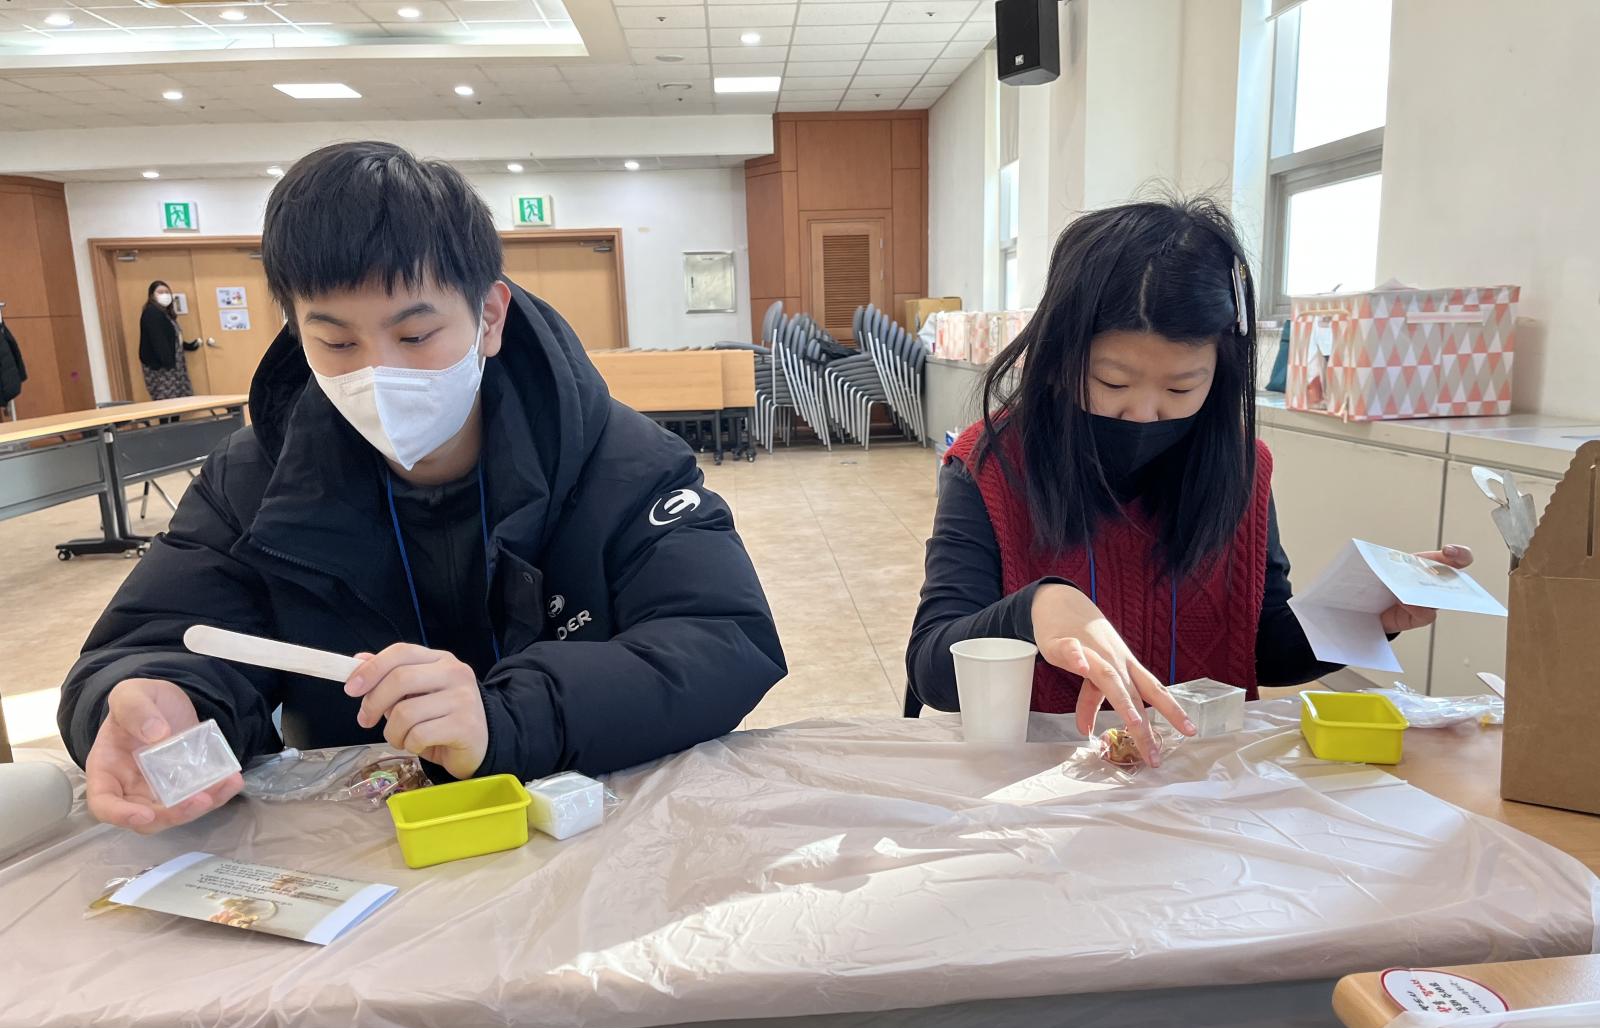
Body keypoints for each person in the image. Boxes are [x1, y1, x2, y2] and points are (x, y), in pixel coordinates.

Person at [60, 141, 787, 833]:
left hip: (583, 831)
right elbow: (152, 642)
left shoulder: (619, 460)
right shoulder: (254, 479)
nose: (378, 373)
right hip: (357, 849)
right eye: (336, 342)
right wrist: (161, 700)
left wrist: (504, 718)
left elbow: (722, 639)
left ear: (489, 317)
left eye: (415, 336)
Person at [906, 197, 1470, 765]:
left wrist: (1366, 615)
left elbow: (1264, 648)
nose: (1144, 413)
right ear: (1058, 358)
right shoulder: (989, 467)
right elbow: (931, 669)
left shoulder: (1239, 468)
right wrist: (1033, 610)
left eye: (1181, 388)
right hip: (1042, 782)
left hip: (1200, 781)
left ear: (1220, 375)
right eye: (1112, 382)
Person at [137, 281, 202, 400]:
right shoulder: (152, 313)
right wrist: (168, 364)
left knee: (180, 399)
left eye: (167, 292)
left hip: (173, 365)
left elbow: (173, 338)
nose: (164, 295)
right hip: (162, 368)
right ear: (152, 295)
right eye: (160, 292)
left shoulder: (165, 314)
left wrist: (189, 346)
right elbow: (157, 340)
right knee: (168, 399)